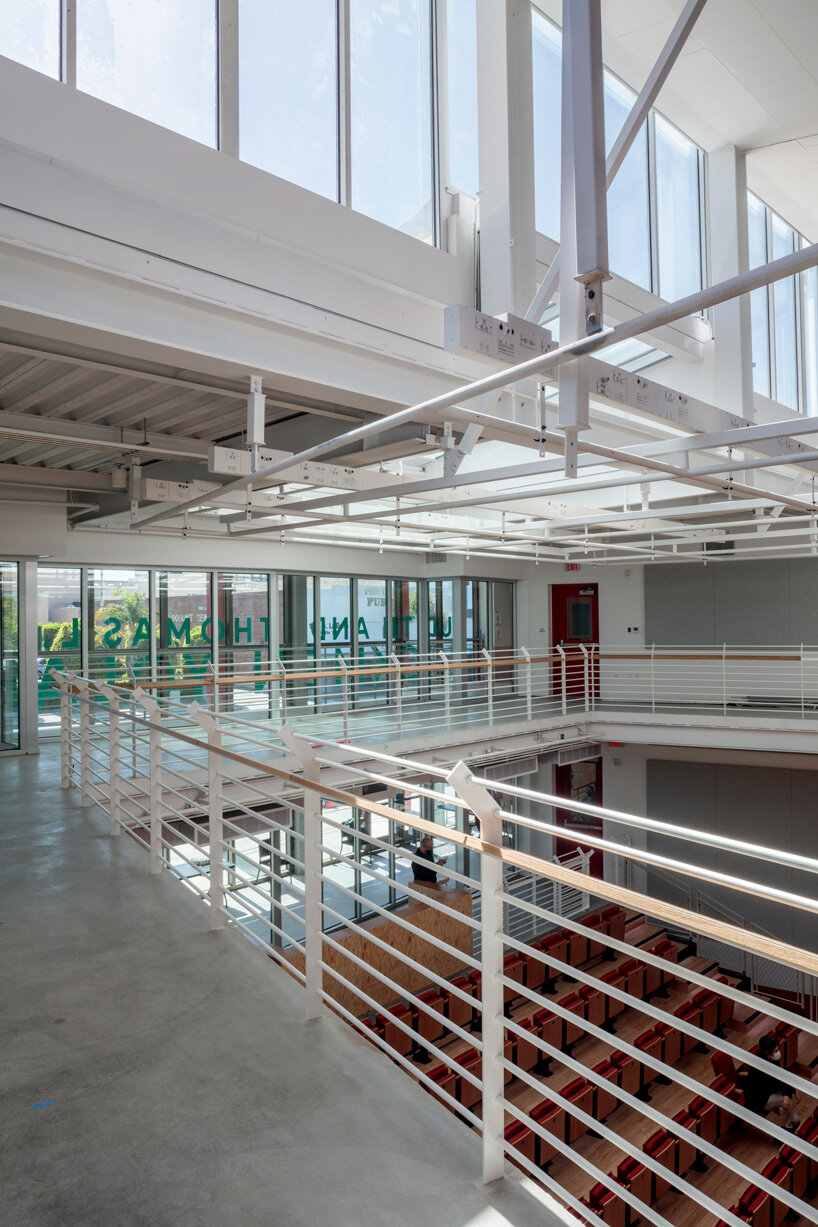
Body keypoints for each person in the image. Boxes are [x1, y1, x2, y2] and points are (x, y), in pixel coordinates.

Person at [737, 1034, 800, 1131]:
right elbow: (774, 1082)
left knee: (795, 1120)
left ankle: (789, 1125)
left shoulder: (772, 1059)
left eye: (778, 1050)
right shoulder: (759, 1065)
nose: (778, 1053)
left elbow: (779, 1077)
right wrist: (789, 1092)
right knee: (784, 1099)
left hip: (769, 1092)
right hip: (759, 1099)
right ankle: (785, 1132)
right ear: (767, 1052)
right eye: (775, 1051)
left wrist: (791, 1090)